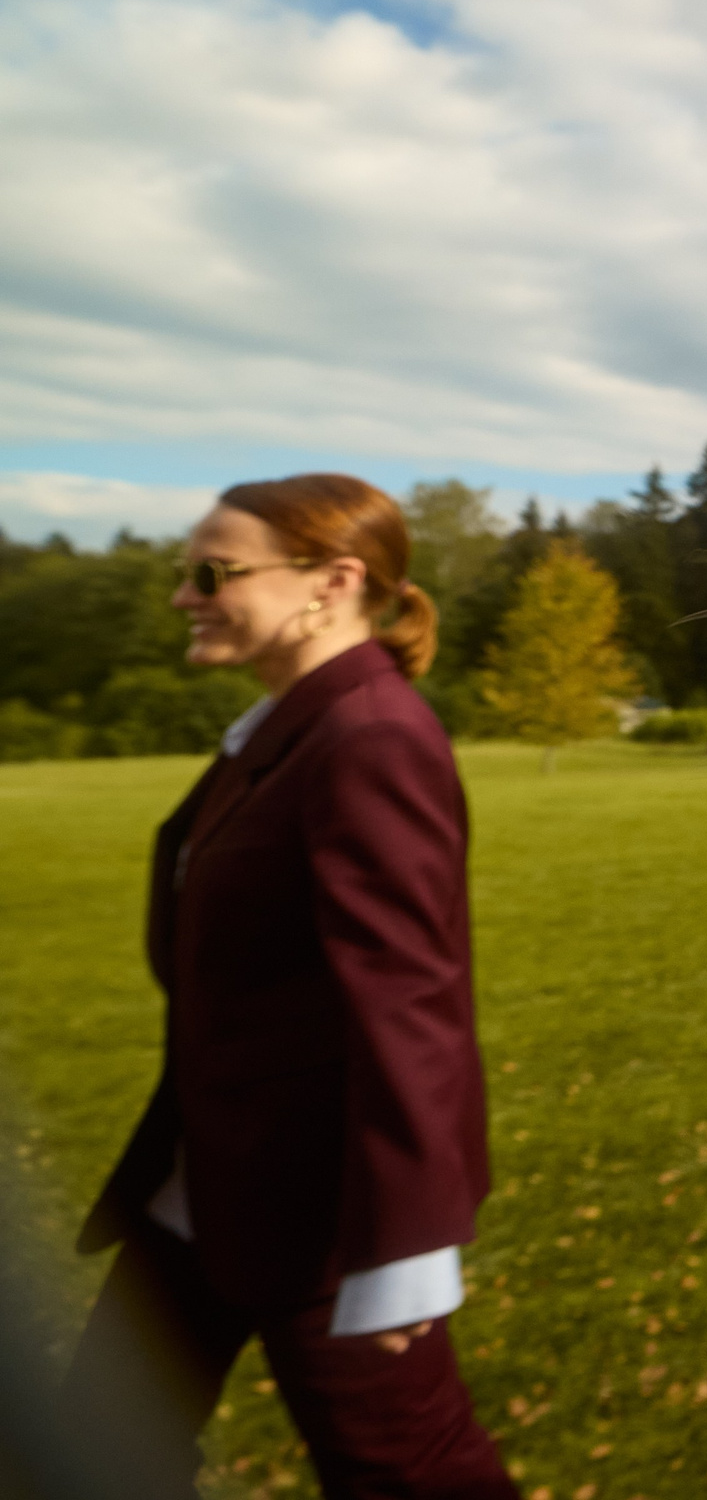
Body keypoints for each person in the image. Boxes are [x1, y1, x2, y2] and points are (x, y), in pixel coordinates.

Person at [60, 474, 517, 1500]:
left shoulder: (370, 737)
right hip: (202, 1185)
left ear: (333, 583)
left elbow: (411, 1003)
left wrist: (402, 1251)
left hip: (321, 1220)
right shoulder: (285, 731)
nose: (184, 593)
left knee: (410, 1474)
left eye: (211, 572)